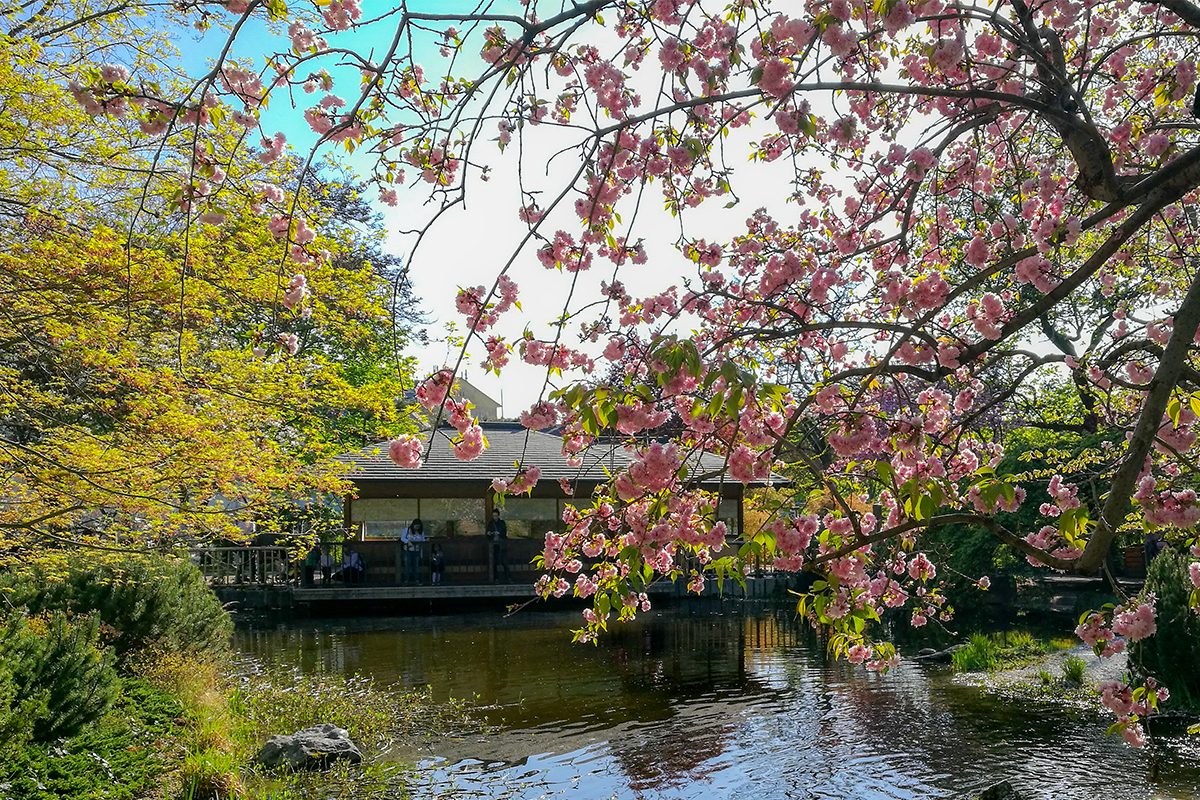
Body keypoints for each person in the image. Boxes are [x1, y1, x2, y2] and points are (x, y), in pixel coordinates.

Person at [486, 508, 510, 583]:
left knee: (504, 562)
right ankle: (496, 578)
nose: (495, 517)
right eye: (493, 516)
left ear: (498, 516)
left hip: (502, 545)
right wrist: (490, 533)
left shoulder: (502, 523)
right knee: (495, 562)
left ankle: (507, 578)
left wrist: (499, 533)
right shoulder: (491, 523)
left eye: (496, 516)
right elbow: (487, 533)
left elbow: (504, 532)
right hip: (494, 545)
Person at [401, 518, 426, 584]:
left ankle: (416, 580)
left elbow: (423, 539)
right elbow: (402, 538)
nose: (417, 528)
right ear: (413, 525)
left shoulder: (421, 532)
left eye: (418, 527)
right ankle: (406, 580)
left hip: (417, 550)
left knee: (416, 566)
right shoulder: (407, 530)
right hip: (408, 550)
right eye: (416, 526)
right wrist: (408, 541)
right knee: (407, 565)